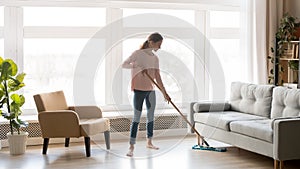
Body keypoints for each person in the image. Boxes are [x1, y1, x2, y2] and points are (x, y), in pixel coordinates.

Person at [122, 32, 171, 157]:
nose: (160, 47)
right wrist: (138, 66)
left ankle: (149, 142)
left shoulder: (155, 58)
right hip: (138, 90)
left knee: (151, 117)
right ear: (151, 42)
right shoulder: (137, 54)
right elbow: (124, 64)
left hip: (150, 90)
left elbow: (158, 76)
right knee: (136, 118)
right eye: (159, 44)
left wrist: (165, 93)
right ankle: (131, 146)